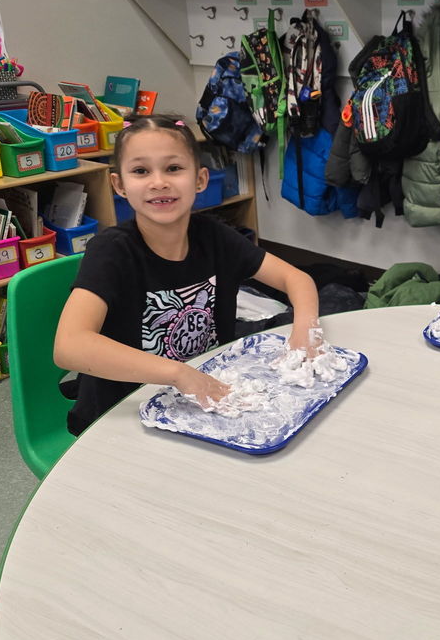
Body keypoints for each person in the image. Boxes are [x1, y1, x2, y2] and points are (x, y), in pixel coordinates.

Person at [55, 115, 320, 436]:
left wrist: (304, 331)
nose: (158, 182)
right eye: (141, 171)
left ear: (200, 179)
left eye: (173, 168)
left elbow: (297, 280)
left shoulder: (216, 237)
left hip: (202, 398)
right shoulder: (111, 251)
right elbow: (69, 346)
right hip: (122, 413)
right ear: (119, 185)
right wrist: (176, 373)